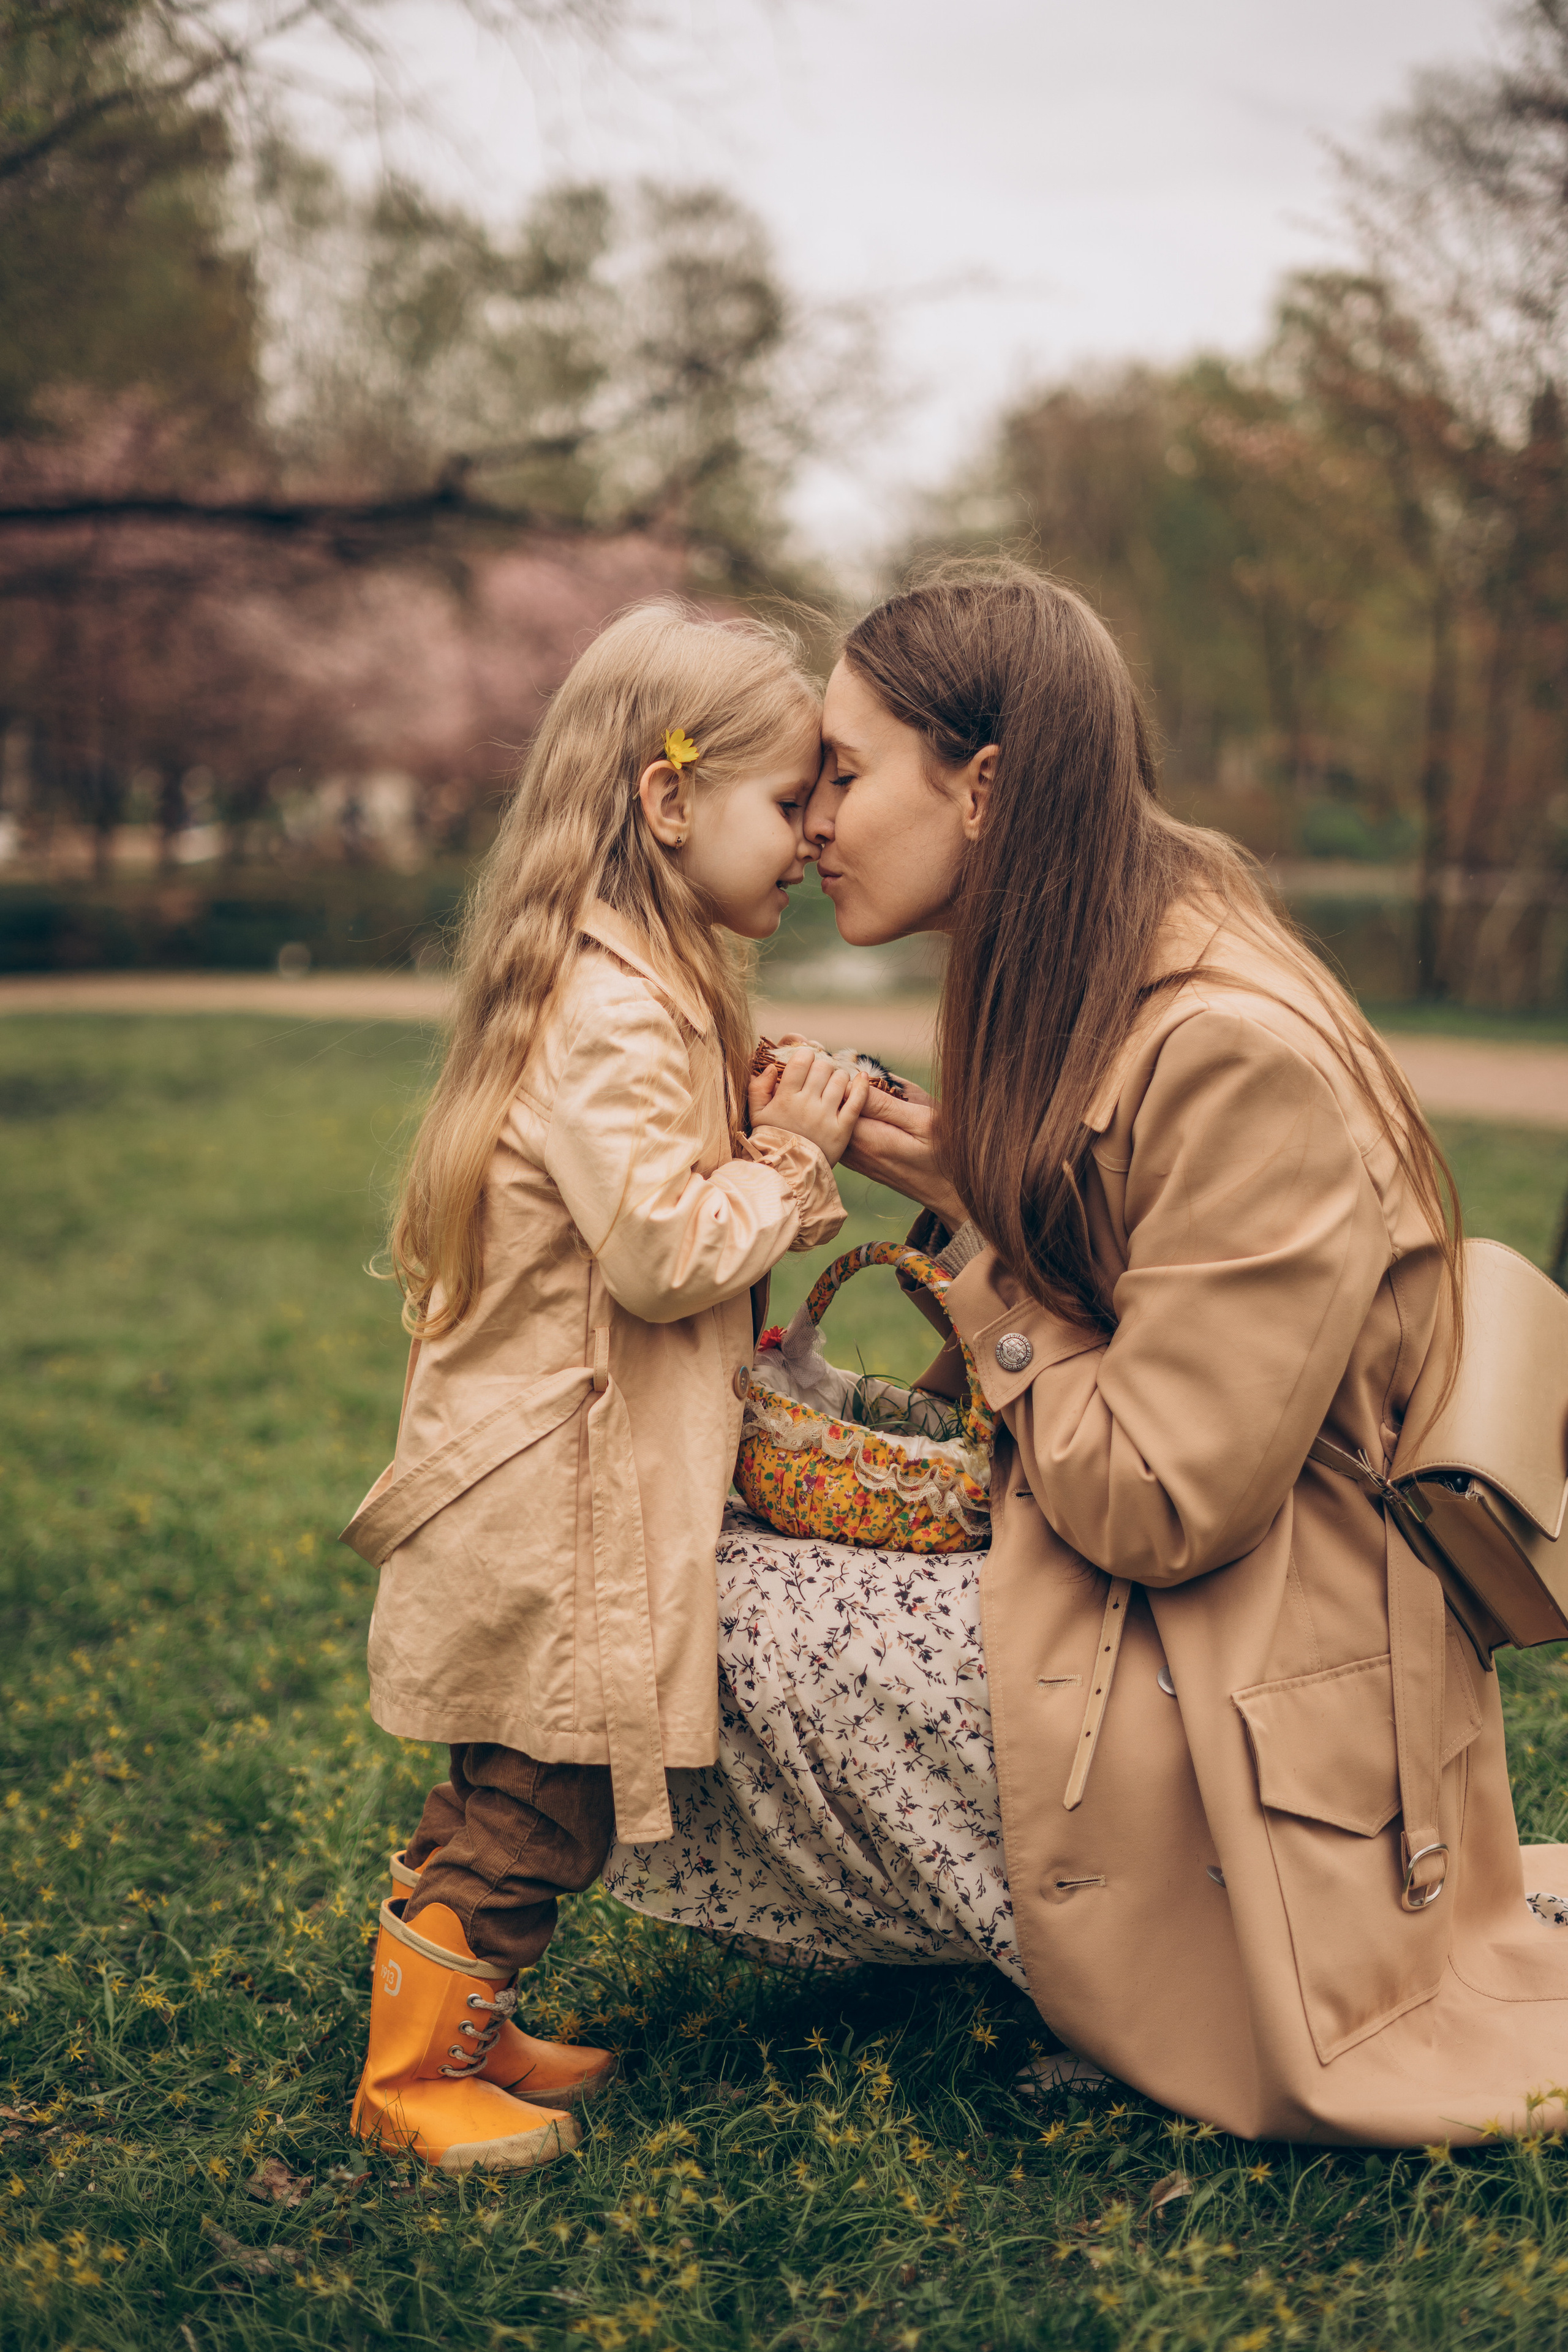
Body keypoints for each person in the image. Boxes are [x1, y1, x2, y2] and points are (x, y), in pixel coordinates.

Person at [606, 560, 1568, 2146]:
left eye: (843, 770)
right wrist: (970, 1177)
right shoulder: (1113, 948)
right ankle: (1025, 1927)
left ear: (982, 786)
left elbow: (1154, 1502)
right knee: (673, 1537)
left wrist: (987, 1277)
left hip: (1255, 1665)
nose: (811, 813)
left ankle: (1082, 1936)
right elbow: (1149, 1286)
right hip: (1223, 1615)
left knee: (679, 1608)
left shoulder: (1231, 1047)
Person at [341, 601, 870, 2172]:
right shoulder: (617, 999)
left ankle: (466, 2023)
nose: (812, 835)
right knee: (532, 1802)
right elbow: (656, 1252)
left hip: (556, 1472)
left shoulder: (637, 978)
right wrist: (793, 1155)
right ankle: (411, 2075)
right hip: (555, 1492)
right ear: (667, 799)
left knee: (516, 1782)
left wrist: (752, 1117)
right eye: (789, 803)